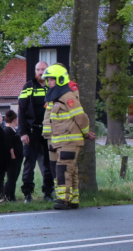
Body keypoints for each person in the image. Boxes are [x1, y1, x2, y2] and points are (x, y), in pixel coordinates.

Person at [42, 64, 95, 210]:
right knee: (70, 170)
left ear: (60, 79)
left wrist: (86, 133)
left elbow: (81, 117)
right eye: (48, 79)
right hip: (60, 141)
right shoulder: (56, 97)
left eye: (52, 79)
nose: (49, 82)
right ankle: (73, 199)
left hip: (70, 140)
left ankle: (63, 199)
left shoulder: (68, 96)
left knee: (63, 169)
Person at [17, 61, 55, 203]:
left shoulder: (53, 87)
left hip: (48, 131)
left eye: (43, 69)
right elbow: (21, 111)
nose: (40, 72)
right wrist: (23, 133)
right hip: (32, 131)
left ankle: (48, 193)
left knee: (49, 162)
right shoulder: (28, 87)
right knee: (29, 163)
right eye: (38, 69)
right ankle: (27, 194)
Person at [3, 110, 23, 202]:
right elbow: (9, 145)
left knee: (14, 178)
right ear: (14, 119)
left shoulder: (14, 130)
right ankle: (6, 196)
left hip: (18, 158)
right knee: (11, 178)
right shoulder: (8, 131)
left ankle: (12, 196)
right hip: (13, 159)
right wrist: (13, 156)